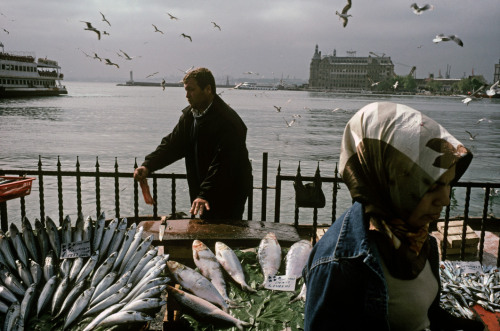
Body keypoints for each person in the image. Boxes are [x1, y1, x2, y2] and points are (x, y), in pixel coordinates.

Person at [303, 102, 484, 331]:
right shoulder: (338, 265)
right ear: (392, 179)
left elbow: (425, 314)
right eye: (430, 187)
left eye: (449, 185)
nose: (445, 200)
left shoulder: (416, 237)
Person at [134, 67, 252, 220]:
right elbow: (172, 144)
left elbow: (224, 164)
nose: (187, 95)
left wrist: (205, 193)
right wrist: (148, 165)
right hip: (205, 191)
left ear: (208, 89)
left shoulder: (228, 122)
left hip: (229, 193)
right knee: (204, 232)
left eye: (191, 90)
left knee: (224, 234)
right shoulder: (190, 116)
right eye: (185, 90)